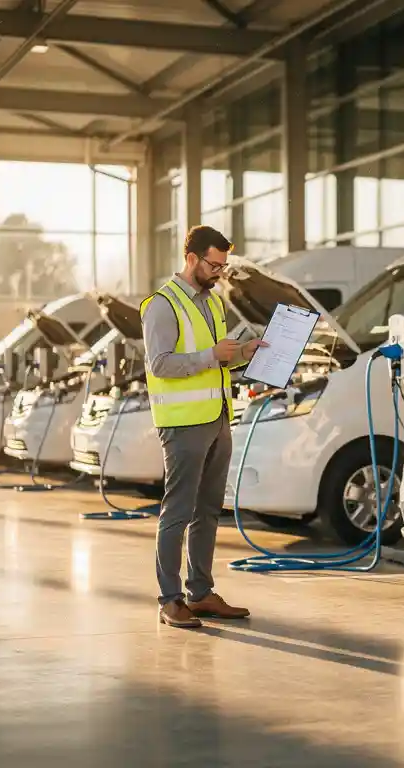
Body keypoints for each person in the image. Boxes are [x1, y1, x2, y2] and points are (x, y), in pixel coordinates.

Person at [140, 225, 267, 629]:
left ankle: (200, 592)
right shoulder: (162, 305)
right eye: (214, 265)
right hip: (182, 424)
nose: (219, 272)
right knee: (177, 512)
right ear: (191, 258)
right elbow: (160, 364)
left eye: (222, 266)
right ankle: (169, 600)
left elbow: (218, 358)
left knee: (208, 510)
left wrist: (243, 352)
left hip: (217, 417)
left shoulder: (213, 303)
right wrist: (212, 354)